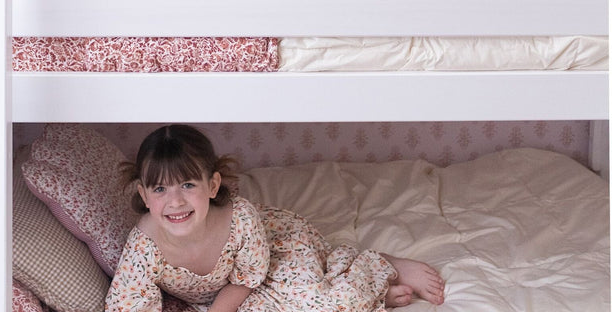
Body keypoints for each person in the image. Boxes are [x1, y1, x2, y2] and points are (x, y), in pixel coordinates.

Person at [105, 124, 445, 312]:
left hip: (272, 255)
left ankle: (377, 266)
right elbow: (128, 304)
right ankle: (373, 294)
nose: (175, 201)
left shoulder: (239, 220)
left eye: (188, 184)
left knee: (328, 305)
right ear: (144, 195)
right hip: (232, 294)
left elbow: (245, 280)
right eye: (160, 189)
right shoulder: (144, 248)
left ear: (212, 185)